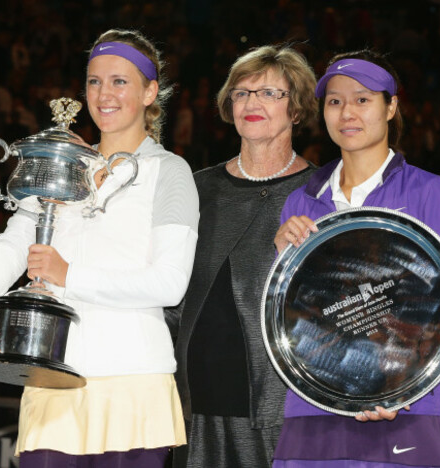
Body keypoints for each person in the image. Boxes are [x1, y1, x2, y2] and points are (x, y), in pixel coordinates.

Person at [0, 29, 199, 467]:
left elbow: (170, 284)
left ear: (150, 91)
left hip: (133, 383)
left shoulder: (170, 172)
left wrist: (70, 276)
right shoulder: (63, 163)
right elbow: (13, 242)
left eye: (120, 81)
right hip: (51, 373)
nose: (104, 94)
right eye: (94, 81)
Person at [272, 49, 440, 467]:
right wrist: (283, 265)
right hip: (314, 407)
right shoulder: (299, 202)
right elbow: (291, 317)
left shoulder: (429, 192)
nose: (347, 112)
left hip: (403, 410)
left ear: (391, 106)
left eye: (362, 99)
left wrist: (396, 387)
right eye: (335, 101)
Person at [168, 45, 318, 468]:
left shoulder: (322, 193)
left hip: (280, 414)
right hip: (193, 409)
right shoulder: (194, 188)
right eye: (241, 92)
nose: (252, 102)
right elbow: (169, 300)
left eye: (270, 93)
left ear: (297, 109)